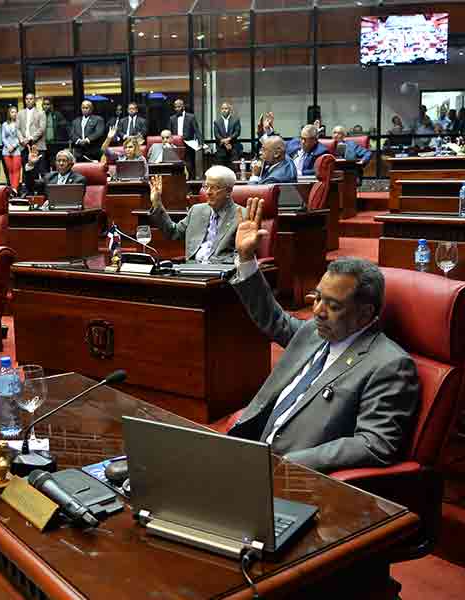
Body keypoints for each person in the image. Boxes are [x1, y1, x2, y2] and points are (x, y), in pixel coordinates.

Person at [225, 201, 419, 472]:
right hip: (249, 452)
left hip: (293, 478)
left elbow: (374, 443)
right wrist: (246, 259)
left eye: (333, 305)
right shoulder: (314, 333)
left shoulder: (389, 365)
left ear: (365, 314)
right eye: (317, 298)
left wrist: (291, 463)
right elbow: (273, 319)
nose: (317, 311)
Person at [148, 165, 244, 264]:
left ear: (228, 191)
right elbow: (173, 233)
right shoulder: (196, 211)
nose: (208, 192)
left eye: (214, 188)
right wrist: (157, 203)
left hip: (220, 273)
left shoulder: (242, 216)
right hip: (191, 270)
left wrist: (211, 264)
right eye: (206, 186)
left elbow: (242, 256)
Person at [17, 92, 46, 192]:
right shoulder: (20, 113)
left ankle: (40, 194)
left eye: (31, 99)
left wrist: (30, 138)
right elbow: (17, 129)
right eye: (27, 99)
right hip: (24, 146)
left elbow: (42, 129)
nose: (29, 101)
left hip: (37, 146)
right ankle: (28, 194)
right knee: (27, 171)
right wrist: (21, 140)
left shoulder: (41, 113)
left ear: (34, 101)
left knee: (39, 171)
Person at [168, 99, 202, 177]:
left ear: (183, 106)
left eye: (179, 107)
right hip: (176, 145)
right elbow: (170, 132)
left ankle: (192, 184)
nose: (177, 109)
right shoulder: (172, 118)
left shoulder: (191, 117)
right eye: (175, 107)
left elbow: (197, 130)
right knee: (177, 165)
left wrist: (200, 143)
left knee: (190, 165)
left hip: (189, 144)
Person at [41, 97, 67, 169]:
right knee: (44, 165)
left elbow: (64, 126)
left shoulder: (57, 115)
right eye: (44, 104)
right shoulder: (39, 115)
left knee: (55, 164)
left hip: (54, 144)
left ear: (51, 105)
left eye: (48, 104)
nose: (46, 106)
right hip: (43, 144)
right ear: (42, 106)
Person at [213, 102, 241, 168]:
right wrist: (225, 142)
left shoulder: (235, 120)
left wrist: (229, 139)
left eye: (226, 108)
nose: (224, 110)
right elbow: (216, 134)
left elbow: (237, 132)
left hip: (232, 148)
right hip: (221, 150)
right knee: (221, 171)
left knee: (233, 170)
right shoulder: (216, 122)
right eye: (222, 108)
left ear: (230, 110)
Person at [1, 106, 22, 190]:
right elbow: (3, 138)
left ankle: (15, 189)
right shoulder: (4, 124)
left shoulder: (19, 123)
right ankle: (12, 189)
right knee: (10, 171)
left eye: (15, 112)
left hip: (16, 150)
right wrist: (8, 146)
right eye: (12, 112)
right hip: (6, 151)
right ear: (9, 114)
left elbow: (20, 137)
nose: (14, 114)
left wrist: (13, 146)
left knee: (16, 171)